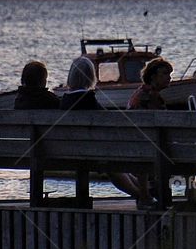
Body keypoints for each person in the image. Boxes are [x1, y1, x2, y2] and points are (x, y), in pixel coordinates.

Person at [60, 56, 145, 204]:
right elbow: (109, 123)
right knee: (113, 165)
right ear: (92, 77)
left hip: (67, 151)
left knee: (115, 165)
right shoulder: (90, 101)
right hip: (90, 152)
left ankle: (144, 193)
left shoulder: (63, 102)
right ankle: (142, 195)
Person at [126, 57, 174, 209]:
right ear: (153, 76)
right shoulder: (152, 97)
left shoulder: (139, 93)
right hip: (148, 149)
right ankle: (192, 195)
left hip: (135, 145)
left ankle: (146, 194)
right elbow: (166, 126)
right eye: (165, 74)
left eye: (169, 74)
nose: (169, 77)